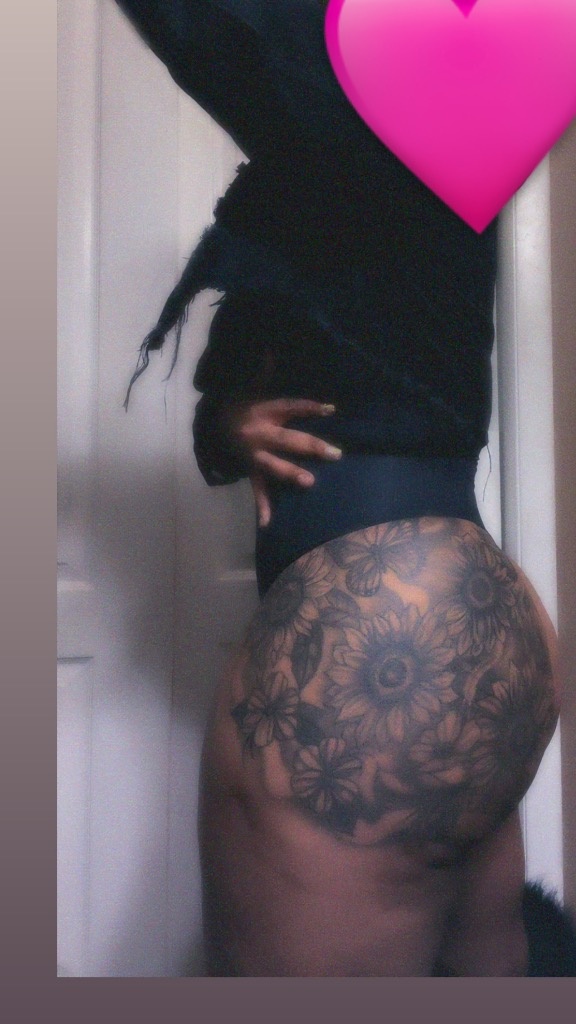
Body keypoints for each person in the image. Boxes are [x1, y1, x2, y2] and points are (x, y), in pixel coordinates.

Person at [114, 1, 572, 975]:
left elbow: (211, 32)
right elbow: (242, 427)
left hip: (381, 652)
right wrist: (232, 423)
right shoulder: (312, 209)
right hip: (480, 626)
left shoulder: (393, 110)